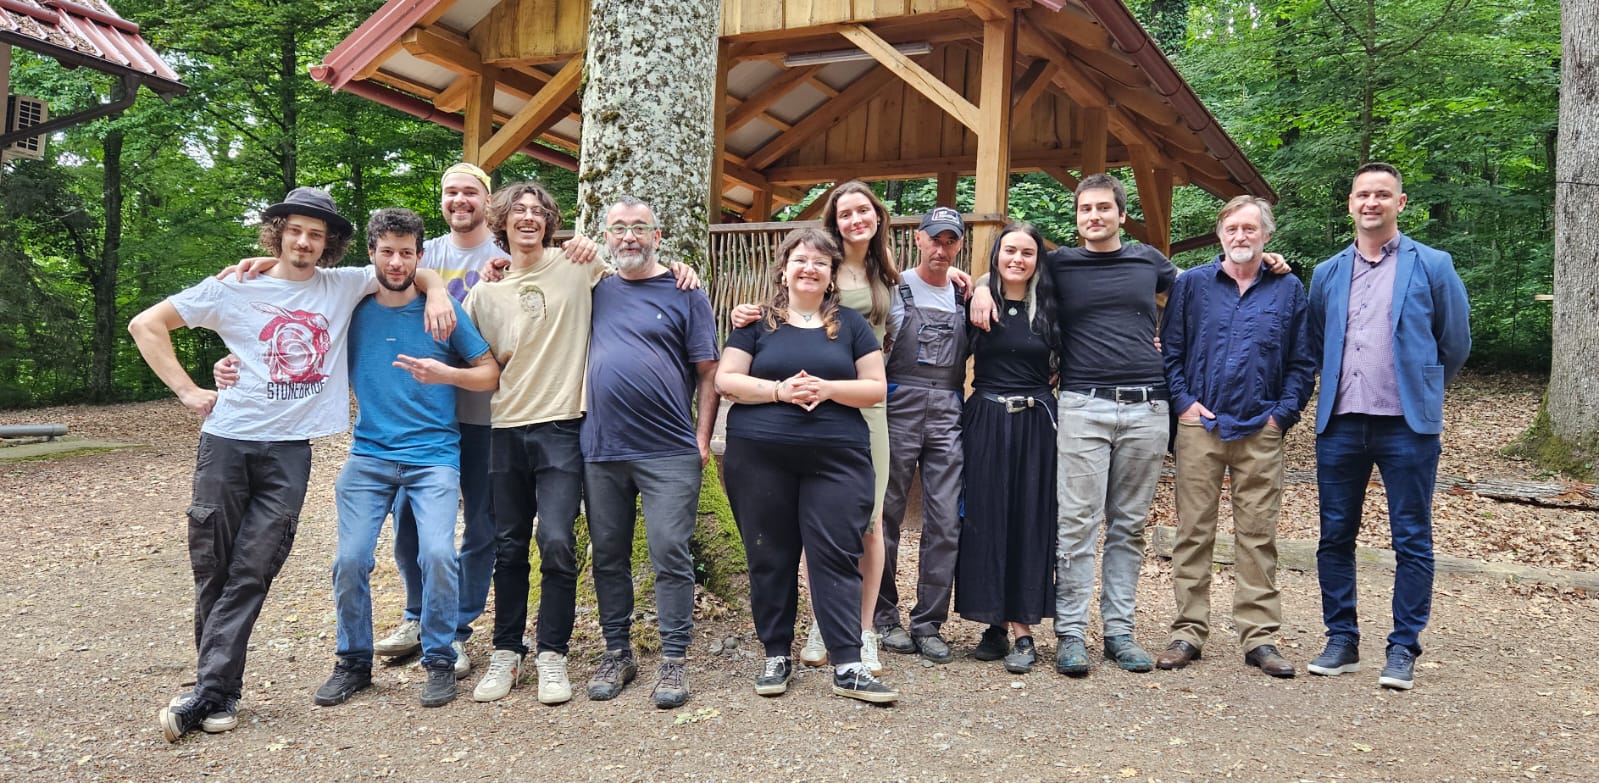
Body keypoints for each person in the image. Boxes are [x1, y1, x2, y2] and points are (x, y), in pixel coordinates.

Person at [128, 187, 454, 741]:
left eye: (316, 234)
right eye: (295, 231)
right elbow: (146, 324)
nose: (304, 242)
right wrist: (188, 390)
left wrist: (440, 288)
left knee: (253, 568)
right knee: (214, 567)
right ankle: (217, 691)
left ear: (329, 244)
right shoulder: (233, 287)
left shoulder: (340, 285)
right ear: (277, 233)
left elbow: (402, 267)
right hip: (226, 443)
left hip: (289, 452)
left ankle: (210, 691)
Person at [970, 174, 1172, 677]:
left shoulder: (1148, 260)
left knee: (1128, 526)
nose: (1094, 216)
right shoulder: (1060, 264)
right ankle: (1072, 634)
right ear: (1077, 216)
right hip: (1083, 403)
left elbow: (1201, 294)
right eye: (1086, 209)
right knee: (1077, 525)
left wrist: (1266, 262)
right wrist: (978, 287)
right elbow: (1008, 270)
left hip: (1147, 405)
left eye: (1104, 208)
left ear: (1122, 214)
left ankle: (1119, 633)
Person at [312, 208, 499, 709]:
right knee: (349, 560)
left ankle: (439, 658)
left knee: (437, 554)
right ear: (371, 253)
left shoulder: (443, 310)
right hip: (369, 455)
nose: (397, 262)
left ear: (420, 256)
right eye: (387, 252)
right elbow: (293, 306)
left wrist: (446, 374)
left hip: (434, 454)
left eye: (407, 253)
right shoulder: (351, 308)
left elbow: (489, 373)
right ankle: (353, 662)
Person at [727, 181, 910, 675]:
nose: (856, 220)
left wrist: (966, 280)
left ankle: (862, 630)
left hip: (857, 405)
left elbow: (877, 378)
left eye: (863, 211)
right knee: (807, 526)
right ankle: (820, 623)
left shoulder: (889, 273)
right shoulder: (774, 307)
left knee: (865, 521)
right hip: (793, 411)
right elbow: (730, 374)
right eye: (845, 212)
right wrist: (778, 384)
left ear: (878, 216)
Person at [1305, 162, 1471, 691]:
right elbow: (1316, 339)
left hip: (1407, 425)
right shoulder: (1327, 272)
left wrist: (1421, 389)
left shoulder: (1433, 264)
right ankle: (1341, 639)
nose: (1370, 203)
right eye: (1362, 195)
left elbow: (1454, 342)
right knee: (1335, 535)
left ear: (1400, 203)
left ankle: (1403, 647)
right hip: (1341, 422)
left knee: (1412, 538)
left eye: (1382, 194)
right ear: (1350, 204)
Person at [1155, 196, 1315, 678]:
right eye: (1232, 228)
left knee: (1258, 536)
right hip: (1200, 427)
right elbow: (1171, 351)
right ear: (1220, 234)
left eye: (1250, 228)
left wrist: (1281, 416)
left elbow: (1302, 361)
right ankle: (1188, 631)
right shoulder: (1193, 284)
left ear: (1266, 234)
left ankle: (1259, 637)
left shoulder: (1288, 289)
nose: (1240, 236)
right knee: (1193, 532)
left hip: (1260, 429)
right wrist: (1183, 403)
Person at [463, 181, 600, 706]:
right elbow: (462, 350)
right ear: (501, 222)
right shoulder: (484, 293)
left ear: (549, 222)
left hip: (562, 425)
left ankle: (552, 654)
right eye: (517, 210)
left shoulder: (577, 266)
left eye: (538, 210)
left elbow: (640, 275)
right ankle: (506, 651)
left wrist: (683, 271)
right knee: (509, 545)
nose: (528, 217)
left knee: (558, 540)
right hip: (505, 427)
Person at [582, 196, 718, 709]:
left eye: (640, 227)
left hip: (669, 450)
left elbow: (708, 372)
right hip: (601, 447)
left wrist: (702, 439)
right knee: (608, 554)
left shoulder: (686, 292)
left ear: (657, 236)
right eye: (618, 228)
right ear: (605, 238)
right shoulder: (592, 289)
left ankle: (674, 659)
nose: (629, 236)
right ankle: (617, 652)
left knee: (669, 552)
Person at [376, 163, 506, 675]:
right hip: (422, 416)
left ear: (487, 200)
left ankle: (454, 628)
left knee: (481, 524)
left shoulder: (505, 253)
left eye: (470, 192)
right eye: (451, 191)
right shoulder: (419, 253)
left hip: (484, 415)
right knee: (407, 521)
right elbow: (346, 283)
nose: (460, 200)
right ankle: (416, 615)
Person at [956, 223, 1061, 675]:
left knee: (1029, 521)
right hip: (986, 419)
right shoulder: (976, 303)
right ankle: (994, 622)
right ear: (996, 255)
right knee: (985, 519)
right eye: (1010, 251)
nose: (1017, 259)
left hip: (1036, 423)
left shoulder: (1053, 306)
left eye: (1027, 252)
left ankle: (1023, 630)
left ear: (1038, 260)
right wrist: (981, 286)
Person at [874, 206, 971, 664]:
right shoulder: (894, 288)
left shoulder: (966, 296)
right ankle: (883, 615)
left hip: (949, 407)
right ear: (918, 239)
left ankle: (929, 622)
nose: (941, 248)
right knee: (885, 514)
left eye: (950, 241)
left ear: (960, 245)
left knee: (946, 519)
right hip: (898, 403)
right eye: (935, 239)